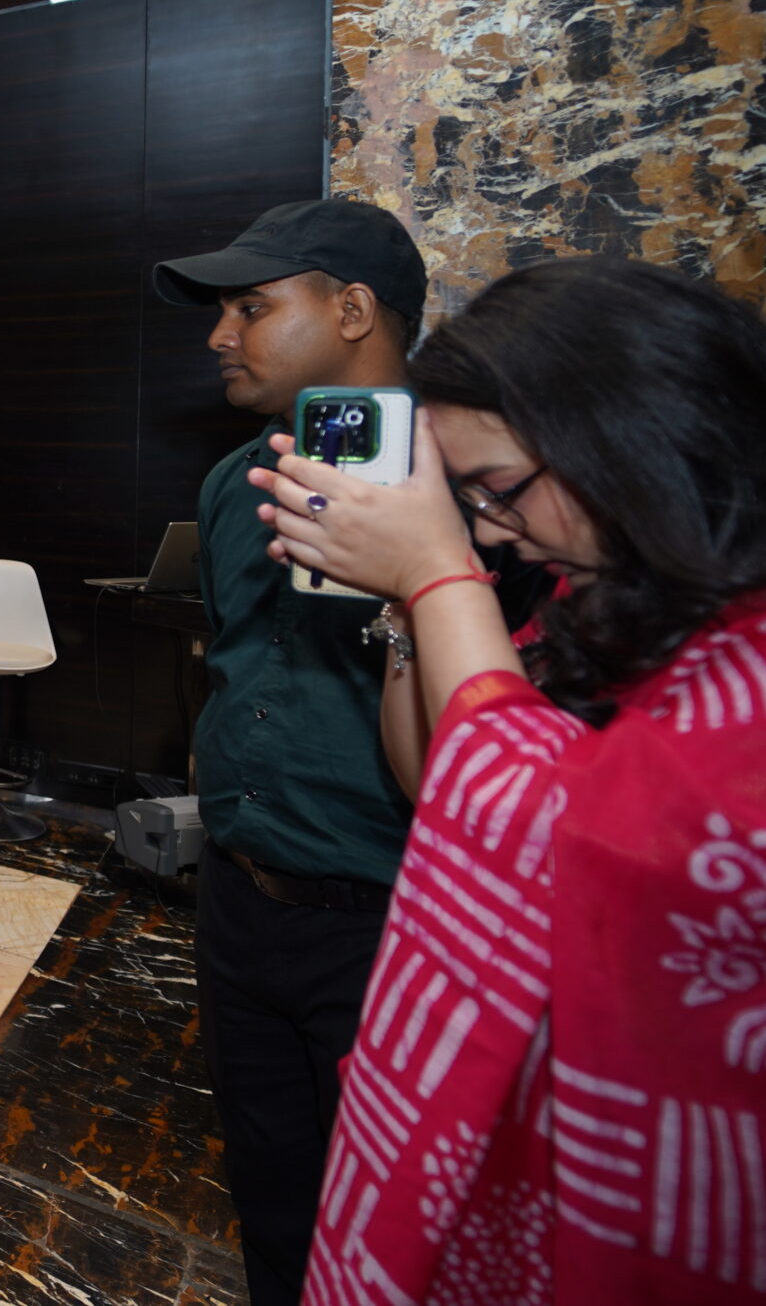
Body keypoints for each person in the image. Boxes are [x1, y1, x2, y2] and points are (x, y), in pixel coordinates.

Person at [252, 257, 766, 1306]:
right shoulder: (628, 593)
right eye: (469, 501)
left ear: (625, 433)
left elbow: (549, 835)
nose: (490, 528)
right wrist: (413, 601)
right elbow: (449, 788)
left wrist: (438, 571)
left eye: (500, 489)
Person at [150, 198, 464, 1306]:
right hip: (239, 907)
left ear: (353, 311)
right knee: (275, 1207)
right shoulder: (233, 484)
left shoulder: (472, 483)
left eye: (250, 308)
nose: (219, 335)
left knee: (400, 1240)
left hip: (391, 925)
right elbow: (233, 659)